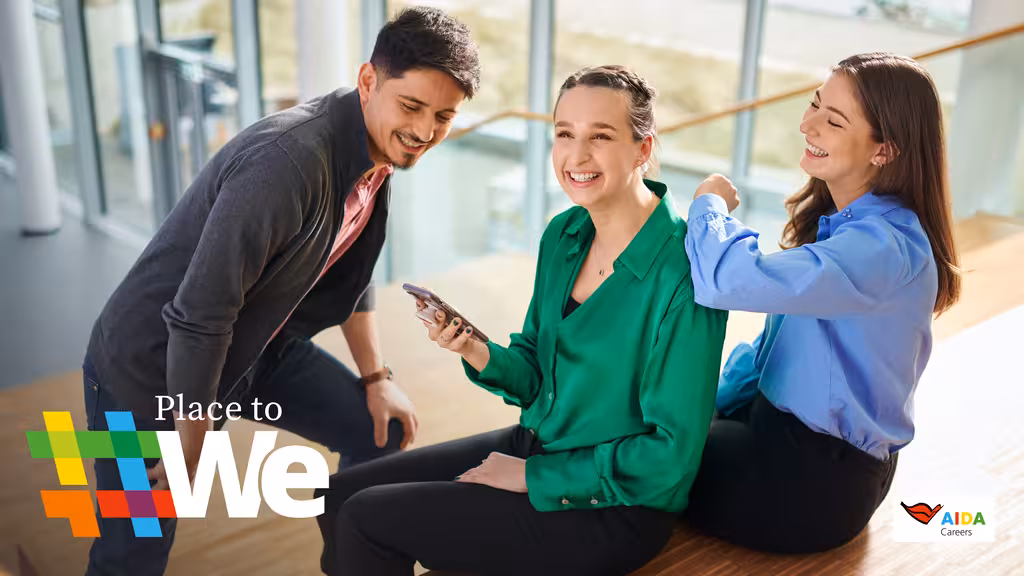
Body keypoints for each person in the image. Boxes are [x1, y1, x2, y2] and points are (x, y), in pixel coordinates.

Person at [81, 8, 480, 575]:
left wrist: (375, 379)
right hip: (148, 366)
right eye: (411, 107)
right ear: (369, 82)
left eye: (443, 116)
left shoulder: (374, 155)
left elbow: (350, 266)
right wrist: (193, 441)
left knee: (380, 433)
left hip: (255, 350)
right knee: (133, 551)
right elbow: (198, 316)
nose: (423, 132)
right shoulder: (288, 162)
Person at [314, 65, 728, 576]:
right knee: (336, 493)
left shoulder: (685, 277)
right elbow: (536, 376)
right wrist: (473, 348)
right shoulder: (565, 233)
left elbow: (669, 458)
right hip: (537, 446)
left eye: (601, 137)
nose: (576, 157)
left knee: (365, 520)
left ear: (643, 149)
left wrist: (536, 478)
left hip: (615, 507)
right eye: (564, 135)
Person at [683, 52, 961, 553]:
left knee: (632, 451)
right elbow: (773, 349)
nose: (808, 124)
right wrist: (710, 407)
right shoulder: (846, 226)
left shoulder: (879, 249)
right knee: (655, 423)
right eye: (815, 105)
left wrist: (709, 203)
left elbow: (724, 280)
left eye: (833, 120)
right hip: (791, 444)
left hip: (810, 482)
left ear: (884, 150)